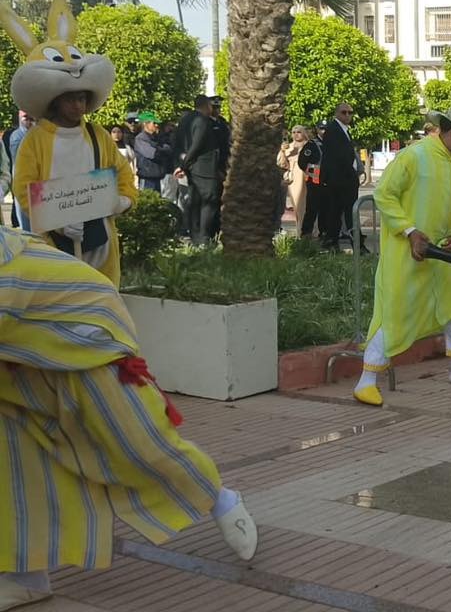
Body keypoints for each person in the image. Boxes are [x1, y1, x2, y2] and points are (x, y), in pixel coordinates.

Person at [0, 227, 259, 608]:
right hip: (19, 359)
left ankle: (218, 497)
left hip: (87, 341)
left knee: (138, 443)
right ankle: (25, 572)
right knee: (16, 459)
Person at [351, 109, 451, 407]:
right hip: (407, 254)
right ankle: (366, 381)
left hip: (445, 256)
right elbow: (384, 194)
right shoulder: (413, 156)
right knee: (395, 313)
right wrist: (410, 231)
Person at [12, 90, 140, 284]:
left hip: (101, 241)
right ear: (56, 100)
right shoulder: (35, 139)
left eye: (81, 99)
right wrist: (58, 222)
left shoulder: (98, 134)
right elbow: (23, 189)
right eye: (70, 100)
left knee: (103, 295)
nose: (78, 106)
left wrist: (124, 200)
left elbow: (122, 172)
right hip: (53, 244)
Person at [176, 95, 222, 245]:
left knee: (195, 201)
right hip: (205, 168)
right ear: (206, 106)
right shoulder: (202, 121)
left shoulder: (185, 120)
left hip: (192, 167)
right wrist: (183, 165)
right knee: (209, 201)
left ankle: (195, 235)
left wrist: (181, 163)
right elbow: (197, 144)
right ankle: (203, 237)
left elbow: (177, 143)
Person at [319, 103, 360, 252]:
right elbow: (337, 157)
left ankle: (332, 243)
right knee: (345, 213)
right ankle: (355, 245)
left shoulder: (344, 130)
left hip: (343, 179)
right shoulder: (333, 130)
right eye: (344, 112)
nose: (347, 115)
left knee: (338, 213)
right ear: (337, 113)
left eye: (350, 112)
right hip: (340, 180)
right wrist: (350, 174)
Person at [276, 125, 312, 235]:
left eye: (299, 132)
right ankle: (300, 232)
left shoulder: (310, 146)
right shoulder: (289, 147)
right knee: (298, 207)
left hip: (309, 178)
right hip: (294, 180)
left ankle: (311, 232)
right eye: (294, 132)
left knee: (310, 205)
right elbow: (282, 164)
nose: (296, 134)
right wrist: (283, 151)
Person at [131, 112, 171, 193]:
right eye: (154, 123)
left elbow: (169, 150)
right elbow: (154, 154)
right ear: (145, 124)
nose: (156, 125)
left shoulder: (157, 138)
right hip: (147, 178)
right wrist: (163, 150)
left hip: (158, 177)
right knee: (147, 199)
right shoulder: (140, 138)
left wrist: (163, 150)